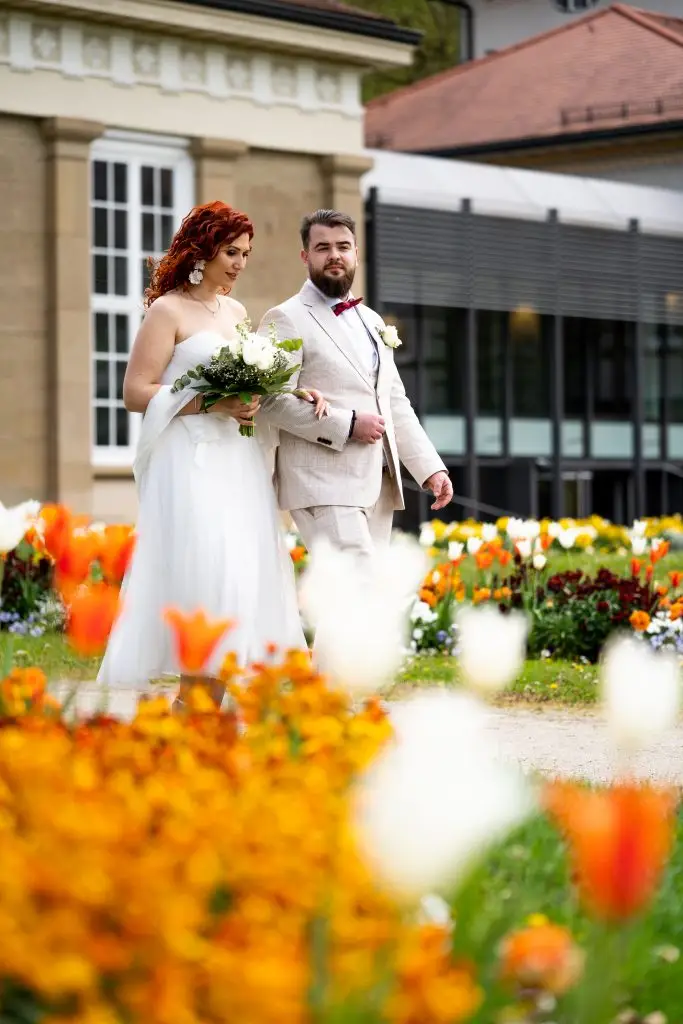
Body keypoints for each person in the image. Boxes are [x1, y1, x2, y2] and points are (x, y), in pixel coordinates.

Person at [97, 201, 324, 708]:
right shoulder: (168, 310)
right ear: (201, 250)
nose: (240, 263)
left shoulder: (237, 313)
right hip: (191, 465)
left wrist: (290, 392)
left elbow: (251, 385)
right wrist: (209, 403)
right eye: (231, 251)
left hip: (237, 466)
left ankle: (198, 719)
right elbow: (135, 392)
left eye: (246, 253)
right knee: (207, 579)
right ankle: (193, 711)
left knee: (238, 583)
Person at [257, 208, 453, 561]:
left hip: (377, 484)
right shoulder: (285, 317)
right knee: (358, 591)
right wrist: (346, 425)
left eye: (343, 246)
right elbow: (269, 400)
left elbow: (393, 401)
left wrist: (430, 468)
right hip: (321, 483)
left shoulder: (373, 320)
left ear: (356, 254)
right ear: (305, 256)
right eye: (323, 247)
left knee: (358, 606)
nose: (335, 255)